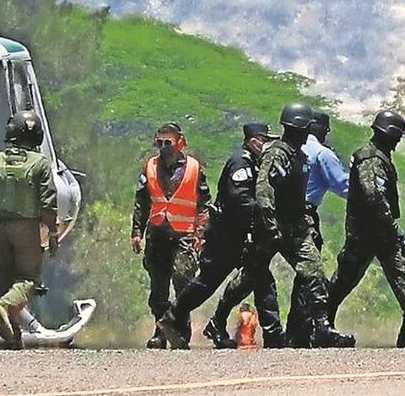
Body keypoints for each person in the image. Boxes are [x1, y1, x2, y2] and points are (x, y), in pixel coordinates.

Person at [207, 110, 350, 345]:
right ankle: (218, 319)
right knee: (248, 277)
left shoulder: (301, 156)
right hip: (271, 227)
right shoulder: (276, 153)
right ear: (296, 129)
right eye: (305, 129)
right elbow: (264, 191)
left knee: (313, 271)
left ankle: (323, 326)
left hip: (296, 227)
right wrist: (270, 226)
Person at [327, 111, 405, 347]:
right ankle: (319, 322)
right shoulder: (371, 159)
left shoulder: (378, 157)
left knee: (400, 274)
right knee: (345, 278)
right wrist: (396, 232)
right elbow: (374, 199)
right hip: (368, 232)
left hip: (378, 232)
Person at [161, 124, 283, 349]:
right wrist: (266, 208)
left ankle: (272, 334)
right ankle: (173, 316)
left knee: (260, 278)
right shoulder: (241, 164)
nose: (269, 145)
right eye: (266, 140)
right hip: (225, 237)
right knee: (208, 282)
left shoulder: (255, 164)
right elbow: (240, 200)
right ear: (254, 141)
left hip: (240, 236)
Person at [0, 110, 58, 348]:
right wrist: (52, 232)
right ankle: (3, 306)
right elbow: (48, 201)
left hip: (1, 229)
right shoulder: (40, 164)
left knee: (5, 280)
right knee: (29, 278)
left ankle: (12, 334)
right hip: (27, 228)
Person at [132, 122, 210, 349]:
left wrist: (201, 234)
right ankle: (160, 331)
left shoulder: (194, 168)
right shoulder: (149, 167)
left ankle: (181, 331)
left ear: (180, 143)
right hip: (157, 234)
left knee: (183, 280)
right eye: (160, 143)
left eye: (169, 143)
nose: (164, 147)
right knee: (158, 287)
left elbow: (204, 205)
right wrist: (137, 231)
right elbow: (141, 202)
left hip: (184, 234)